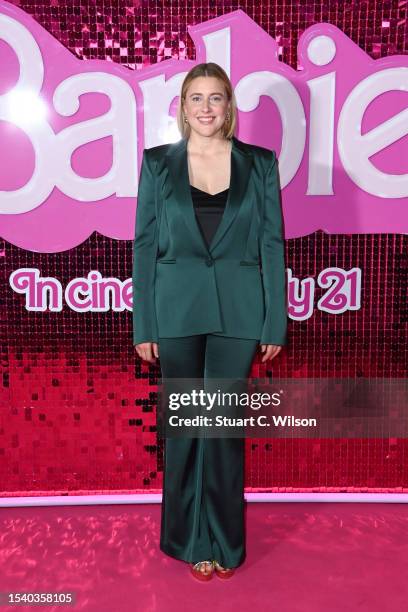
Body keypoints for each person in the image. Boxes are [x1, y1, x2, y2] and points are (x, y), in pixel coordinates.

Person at [132, 62, 287, 581]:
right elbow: (146, 247)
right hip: (175, 312)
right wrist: (144, 326)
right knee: (184, 431)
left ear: (228, 107)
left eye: (214, 98)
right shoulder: (157, 165)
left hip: (240, 314)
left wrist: (274, 324)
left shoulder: (260, 164)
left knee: (221, 431)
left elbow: (271, 245)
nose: (204, 107)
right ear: (182, 106)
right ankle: (187, 538)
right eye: (195, 98)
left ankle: (224, 540)